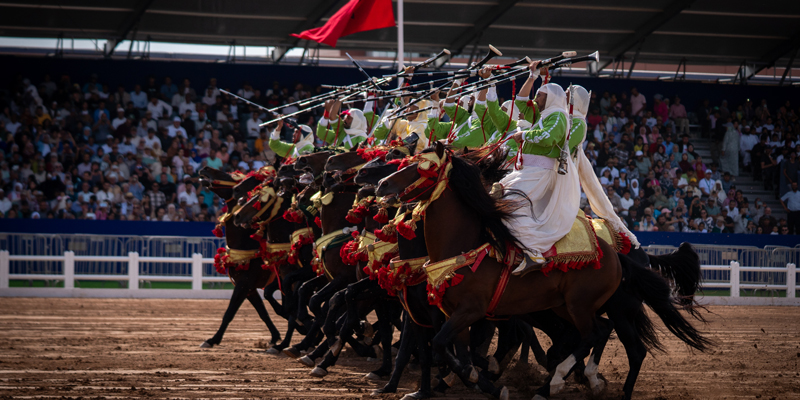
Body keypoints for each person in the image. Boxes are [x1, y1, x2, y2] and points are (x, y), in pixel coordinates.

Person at [501, 79, 579, 274]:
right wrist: (531, 75)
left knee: (509, 206)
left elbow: (549, 137)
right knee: (498, 197)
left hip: (539, 173)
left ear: (551, 97)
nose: (535, 98)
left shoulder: (559, 116)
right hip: (526, 171)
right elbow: (520, 101)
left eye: (540, 95)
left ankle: (533, 252)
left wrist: (525, 135)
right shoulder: (542, 115)